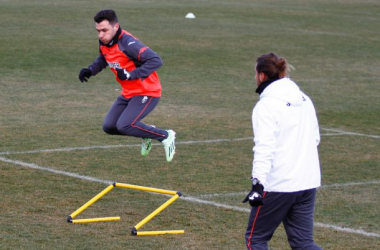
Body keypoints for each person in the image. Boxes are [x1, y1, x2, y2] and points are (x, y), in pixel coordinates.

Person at [243, 53, 322, 249]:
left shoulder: (266, 106)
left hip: (278, 185)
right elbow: (315, 138)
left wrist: (257, 184)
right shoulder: (304, 99)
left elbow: (264, 147)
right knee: (303, 242)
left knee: (256, 238)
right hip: (307, 182)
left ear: (261, 75)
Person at [78, 9, 176, 162]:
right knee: (109, 127)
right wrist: (90, 70)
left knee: (124, 125)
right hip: (128, 93)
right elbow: (104, 57)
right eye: (98, 31)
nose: (101, 35)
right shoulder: (105, 41)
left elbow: (156, 60)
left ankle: (166, 135)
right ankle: (146, 133)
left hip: (147, 92)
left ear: (116, 27)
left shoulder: (129, 44)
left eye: (104, 30)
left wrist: (131, 74)